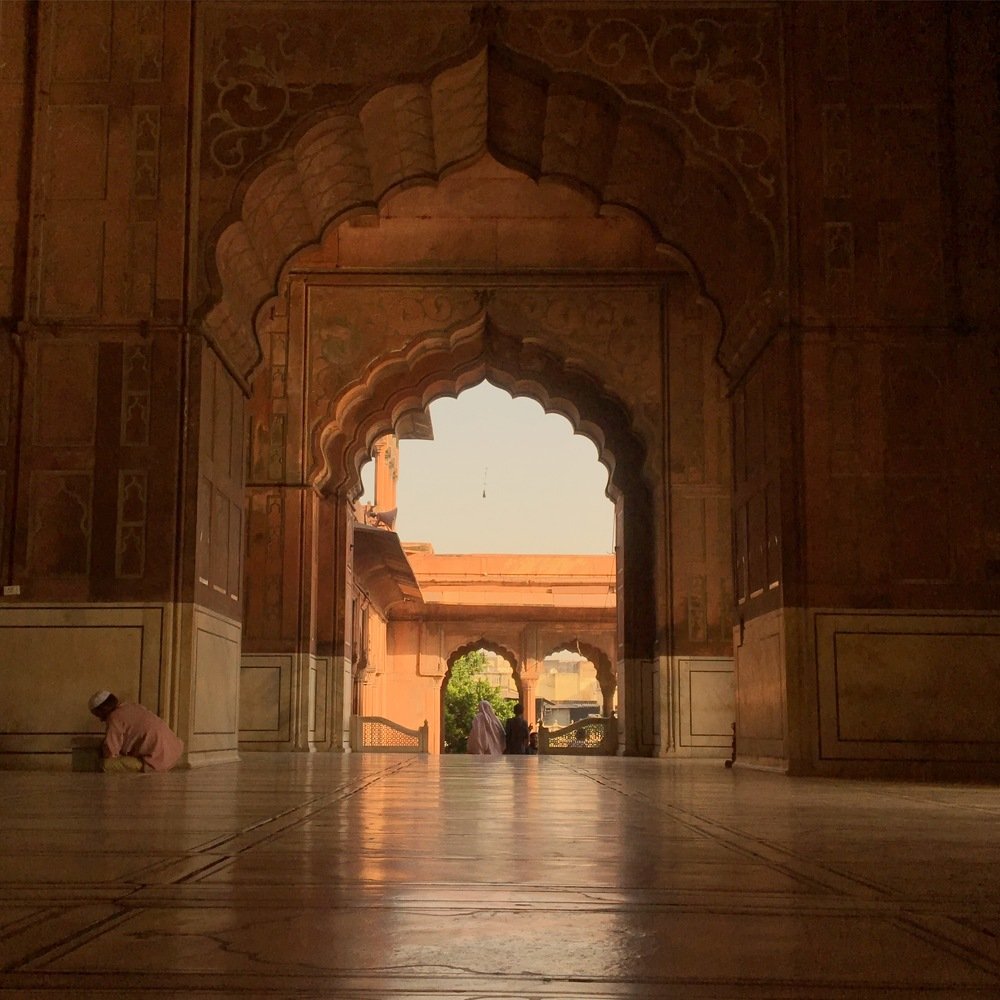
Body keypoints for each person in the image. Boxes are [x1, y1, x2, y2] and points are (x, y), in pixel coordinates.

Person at [88, 690, 184, 772]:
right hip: (174, 752)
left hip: (158, 760)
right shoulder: (131, 706)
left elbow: (111, 751)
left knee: (105, 765)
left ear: (100, 711)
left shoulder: (114, 717)